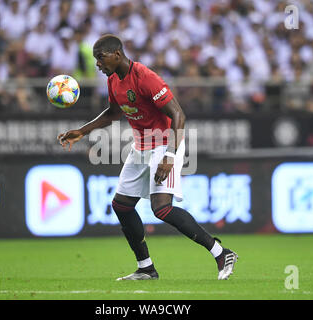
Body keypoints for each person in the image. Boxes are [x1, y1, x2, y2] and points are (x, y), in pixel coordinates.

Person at [57, 34, 238, 281]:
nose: (98, 64)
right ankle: (146, 268)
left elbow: (178, 115)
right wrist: (82, 131)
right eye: (96, 60)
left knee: (162, 209)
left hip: (165, 143)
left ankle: (221, 253)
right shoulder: (113, 80)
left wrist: (170, 156)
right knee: (121, 205)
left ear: (117, 54)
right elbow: (113, 113)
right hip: (142, 146)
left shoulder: (145, 77)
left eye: (100, 58)